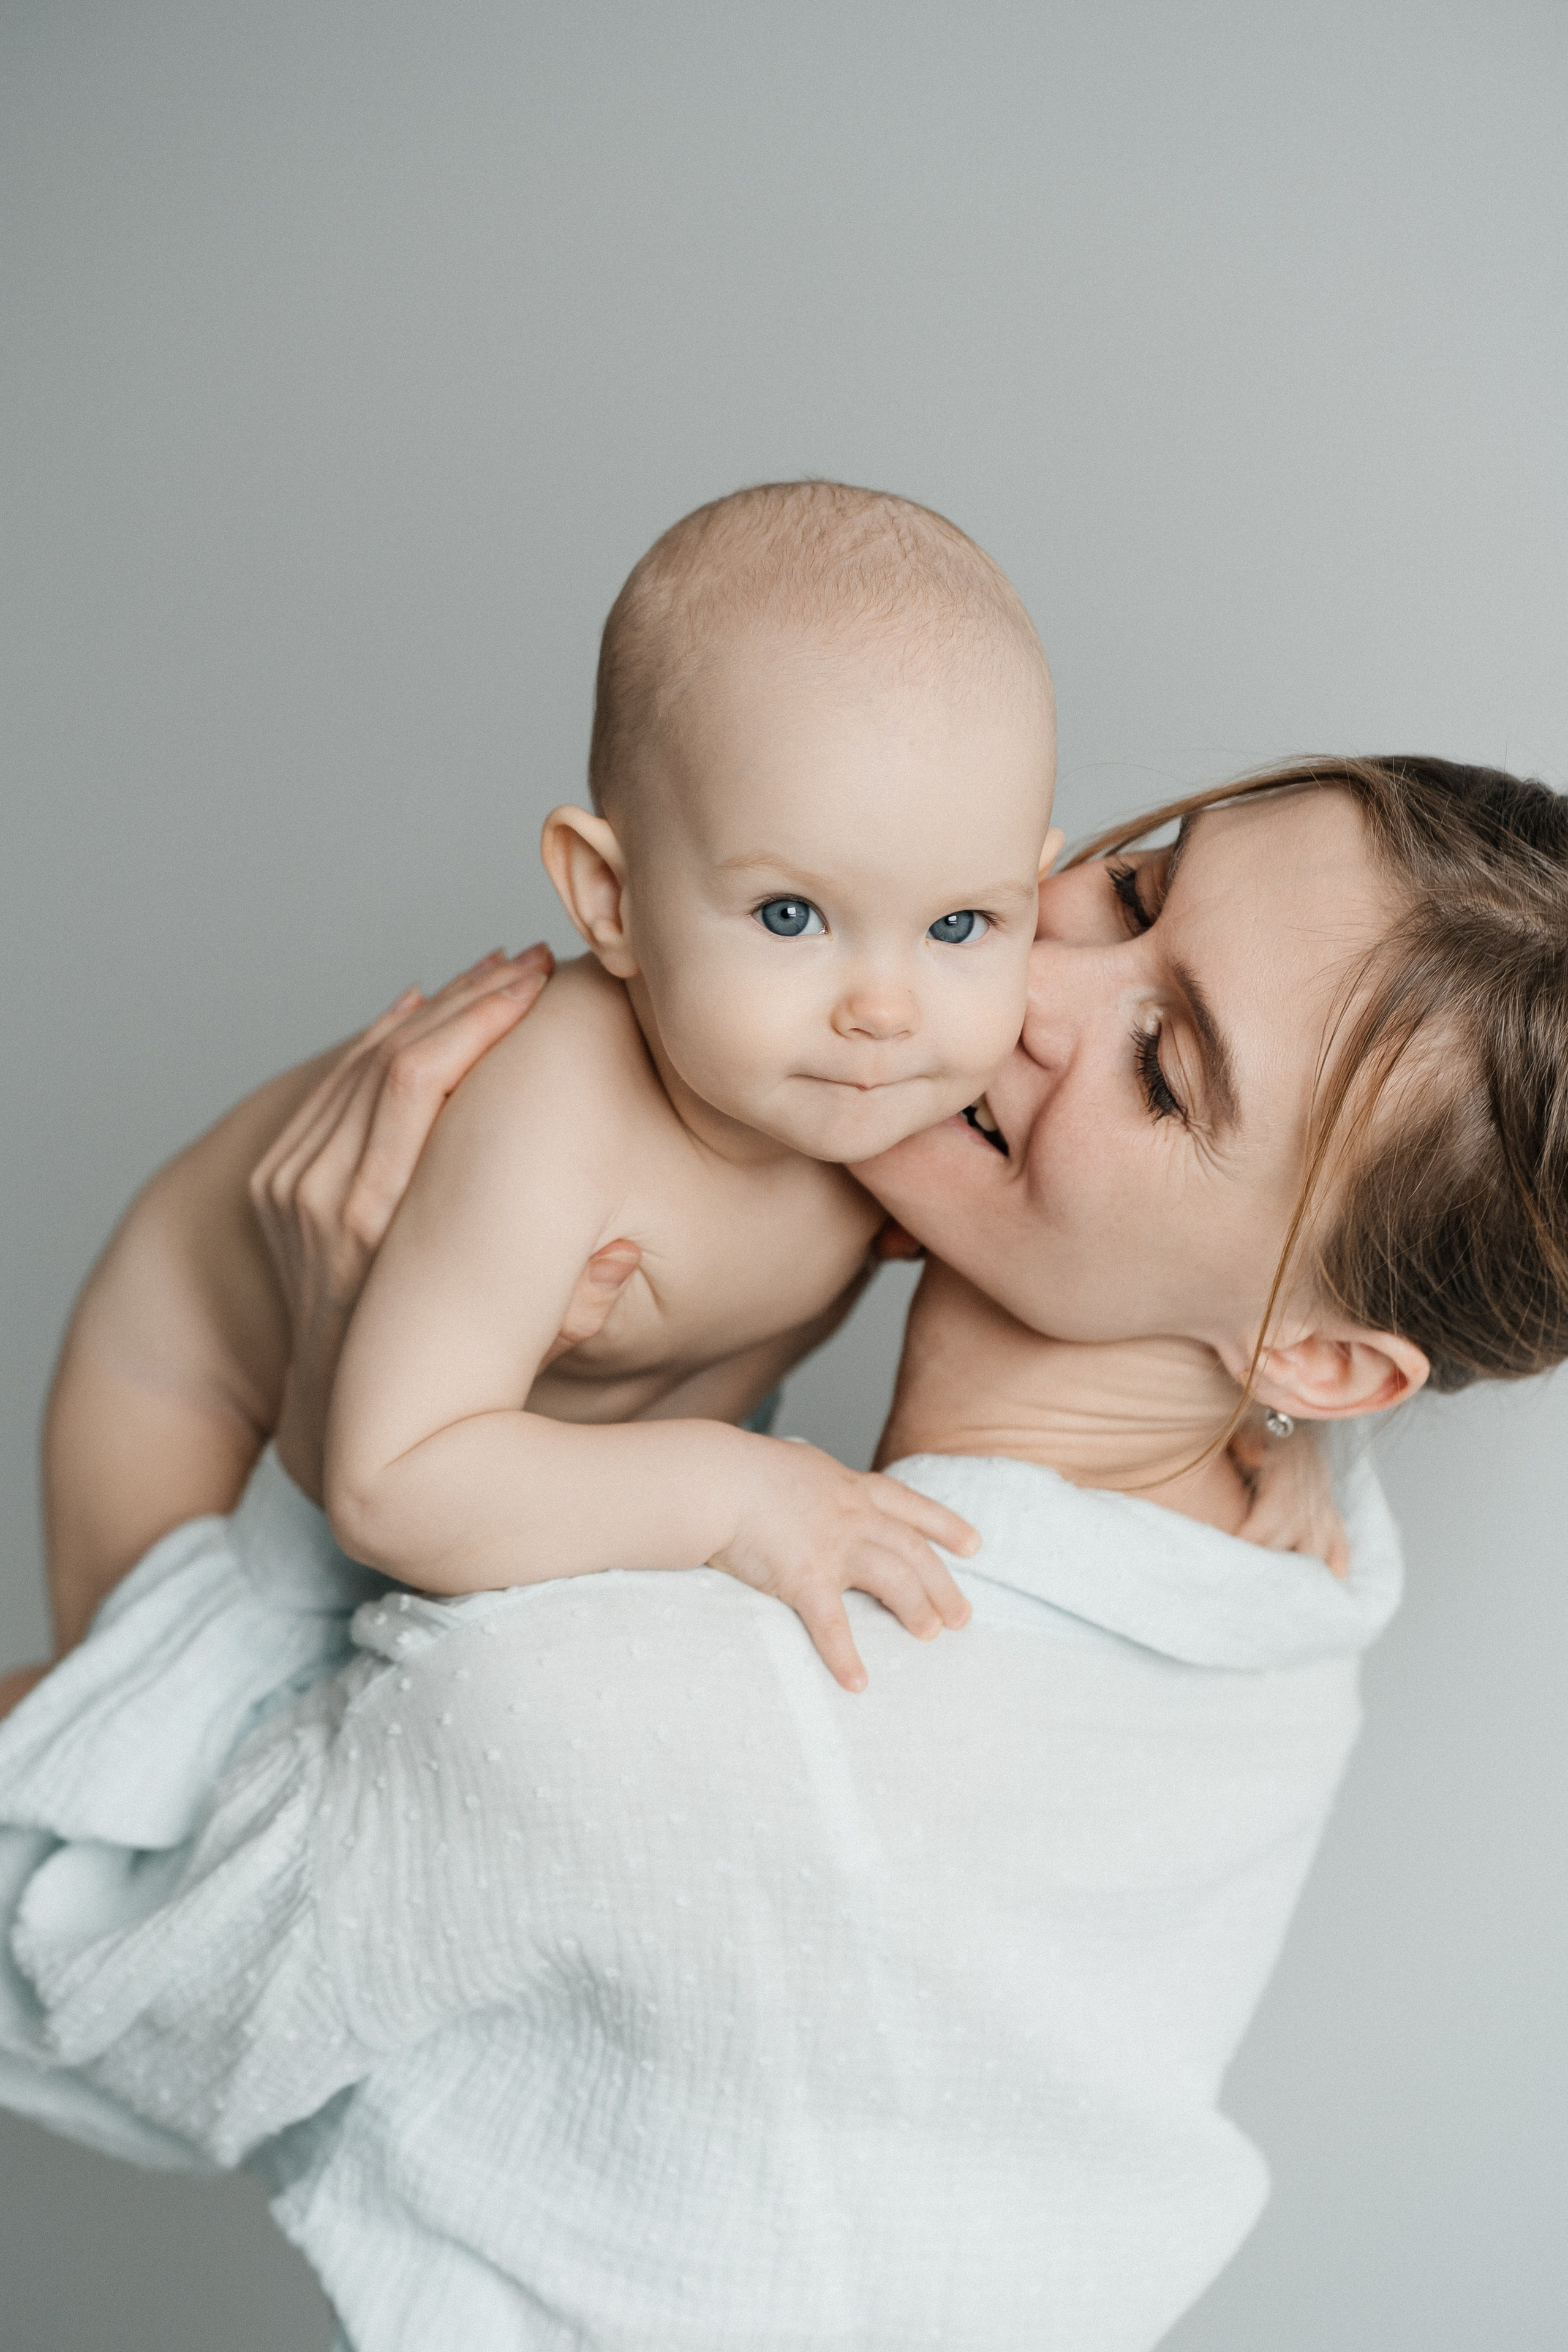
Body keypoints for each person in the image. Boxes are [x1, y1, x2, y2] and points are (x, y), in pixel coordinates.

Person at [1, 755, 1563, 2350]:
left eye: (1162, 1069)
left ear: (1326, 1362)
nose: (1036, 978)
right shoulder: (1286, 1582)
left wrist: (339, 1380)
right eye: (1138, 886)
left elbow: (95, 1975)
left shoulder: (645, 1702)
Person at [326, 478, 1065, 1689]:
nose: (883, 1008)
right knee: (122, 1707)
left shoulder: (904, 1096)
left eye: (959, 922)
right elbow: (391, 1480)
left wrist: (1267, 1453)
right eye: (791, 914)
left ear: (1029, 895)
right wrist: (732, 1495)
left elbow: (1142, 1260)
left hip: (533, 1469)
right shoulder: (558, 1110)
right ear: (609, 898)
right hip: (193, 1375)